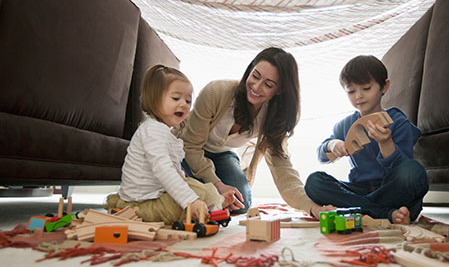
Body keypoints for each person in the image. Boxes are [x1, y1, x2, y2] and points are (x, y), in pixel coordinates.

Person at [177, 47, 334, 218]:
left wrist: (312, 208)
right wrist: (218, 185)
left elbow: (283, 170)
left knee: (240, 202)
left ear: (279, 90)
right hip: (186, 150)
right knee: (198, 195)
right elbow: (190, 146)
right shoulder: (216, 92)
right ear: (250, 70)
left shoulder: (274, 118)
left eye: (268, 85)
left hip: (222, 154)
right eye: (255, 76)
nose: (256, 87)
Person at [304, 55, 428, 224]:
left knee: (413, 171)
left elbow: (404, 170)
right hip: (360, 191)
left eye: (366, 88)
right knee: (314, 182)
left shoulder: (397, 121)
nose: (358, 96)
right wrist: (332, 145)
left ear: (384, 86)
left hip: (391, 190)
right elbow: (321, 155)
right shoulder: (346, 124)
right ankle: (384, 214)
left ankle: (367, 210)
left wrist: (386, 144)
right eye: (351, 91)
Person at [105, 65, 234, 224]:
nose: (184, 105)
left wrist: (202, 192)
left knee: (202, 189)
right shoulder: (152, 130)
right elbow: (163, 169)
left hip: (156, 194)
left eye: (188, 101)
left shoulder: (165, 132)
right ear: (154, 99)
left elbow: (177, 172)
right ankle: (210, 207)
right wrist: (191, 200)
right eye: (175, 98)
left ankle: (215, 205)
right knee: (193, 196)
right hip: (141, 203)